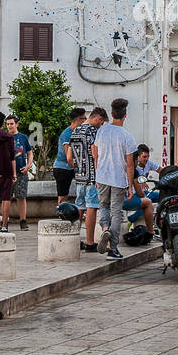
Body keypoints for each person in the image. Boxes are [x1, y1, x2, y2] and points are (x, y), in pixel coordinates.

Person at [93, 98, 141, 260]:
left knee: (103, 207)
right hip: (118, 179)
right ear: (125, 115)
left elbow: (96, 155)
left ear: (112, 114)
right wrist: (130, 186)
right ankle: (113, 248)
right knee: (116, 212)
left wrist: (96, 175)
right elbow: (130, 165)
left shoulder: (101, 131)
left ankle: (105, 228)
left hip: (102, 177)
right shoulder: (128, 137)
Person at [71, 107, 105, 252]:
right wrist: (98, 173)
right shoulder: (92, 131)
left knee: (79, 206)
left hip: (79, 176)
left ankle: (74, 239)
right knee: (92, 207)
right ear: (97, 118)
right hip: (91, 176)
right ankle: (90, 242)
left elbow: (69, 156)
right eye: (101, 122)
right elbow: (95, 154)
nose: (101, 125)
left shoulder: (75, 131)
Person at [53, 107, 86, 210]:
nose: (85, 121)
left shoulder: (78, 132)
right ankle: (62, 214)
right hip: (63, 168)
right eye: (84, 118)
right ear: (78, 120)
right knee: (63, 195)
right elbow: (69, 156)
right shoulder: (67, 134)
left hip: (71, 167)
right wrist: (79, 169)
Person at [5, 115, 33, 230]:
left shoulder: (23, 137)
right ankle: (4, 222)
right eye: (7, 124)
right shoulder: (4, 137)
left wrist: (28, 165)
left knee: (21, 197)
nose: (9, 126)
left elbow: (30, 153)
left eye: (11, 123)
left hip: (21, 171)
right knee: (6, 198)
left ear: (17, 124)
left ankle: (23, 220)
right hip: (7, 173)